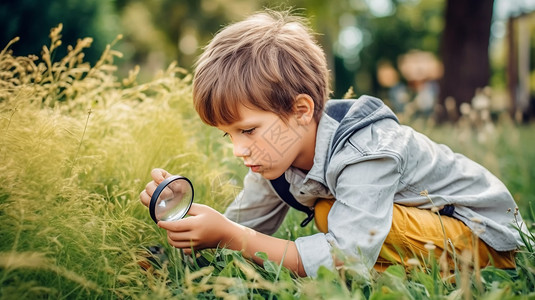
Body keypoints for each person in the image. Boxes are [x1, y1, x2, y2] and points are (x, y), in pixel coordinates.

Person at [139, 10, 524, 277]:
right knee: (330, 214)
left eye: (249, 130)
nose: (238, 149)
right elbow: (238, 227)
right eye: (230, 135)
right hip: (424, 232)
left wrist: (236, 238)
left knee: (329, 216)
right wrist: (181, 220)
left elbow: (346, 256)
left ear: (301, 110)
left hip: (485, 237)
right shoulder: (274, 160)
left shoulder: (364, 151)